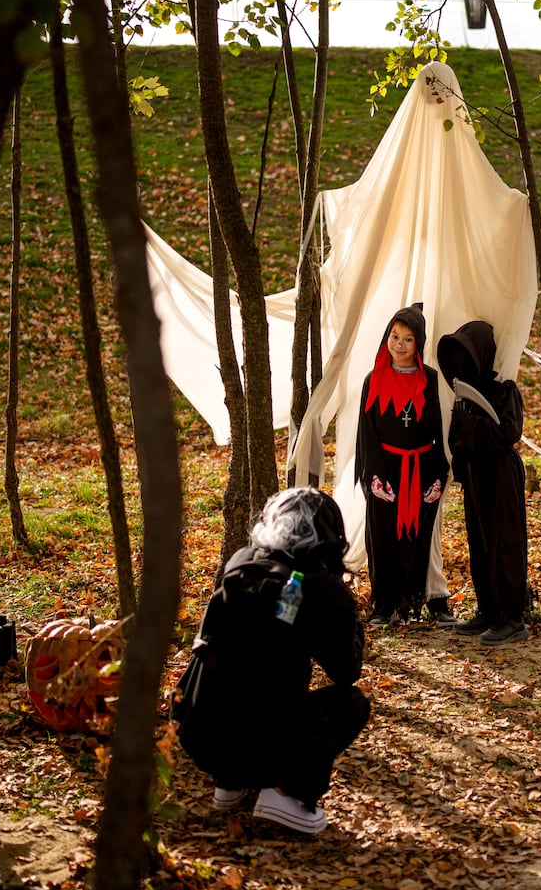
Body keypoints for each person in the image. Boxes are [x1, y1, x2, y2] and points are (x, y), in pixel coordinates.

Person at [175, 487, 370, 834]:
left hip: (199, 731)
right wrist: (348, 612)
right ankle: (286, 795)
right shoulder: (322, 587)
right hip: (266, 737)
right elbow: (346, 670)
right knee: (351, 704)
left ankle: (230, 784)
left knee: (249, 684)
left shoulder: (242, 561)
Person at [355, 303, 454, 626]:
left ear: (418, 343)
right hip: (385, 469)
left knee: (418, 539)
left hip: (421, 470)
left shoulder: (430, 380)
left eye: (408, 339)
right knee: (383, 538)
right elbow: (366, 432)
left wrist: (437, 475)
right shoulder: (374, 379)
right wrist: (374, 476)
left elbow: (437, 431)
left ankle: (413, 603)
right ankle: (384, 606)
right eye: (394, 337)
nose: (399, 345)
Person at [436, 320, 530, 646]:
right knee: (481, 545)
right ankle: (489, 611)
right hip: (476, 476)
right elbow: (457, 437)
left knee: (504, 544)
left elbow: (509, 432)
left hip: (501, 475)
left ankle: (512, 618)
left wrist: (472, 425)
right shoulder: (464, 394)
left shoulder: (504, 390)